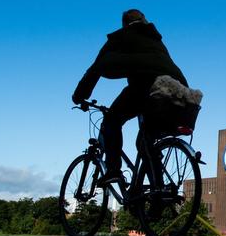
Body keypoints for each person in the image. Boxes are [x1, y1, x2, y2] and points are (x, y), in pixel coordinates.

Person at [72, 9, 188, 185]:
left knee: (112, 120)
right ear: (143, 20)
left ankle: (113, 170)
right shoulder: (155, 40)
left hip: (147, 85)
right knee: (145, 141)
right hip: (177, 89)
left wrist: (79, 95)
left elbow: (96, 67)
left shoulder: (122, 36)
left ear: (125, 23)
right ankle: (159, 192)